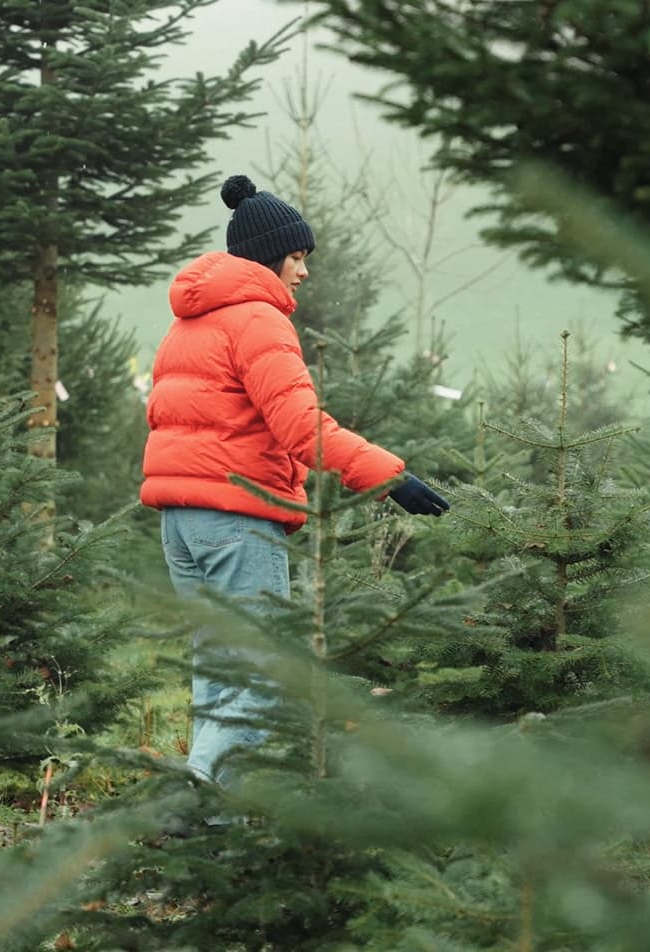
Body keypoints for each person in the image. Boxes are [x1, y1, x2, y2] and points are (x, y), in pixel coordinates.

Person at [141, 174, 450, 789]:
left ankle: (213, 820)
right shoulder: (257, 319)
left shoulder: (190, 322)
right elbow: (301, 427)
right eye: (298, 257)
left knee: (219, 667)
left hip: (182, 521)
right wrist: (392, 478)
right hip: (238, 517)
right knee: (260, 668)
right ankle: (193, 793)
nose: (303, 272)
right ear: (269, 256)